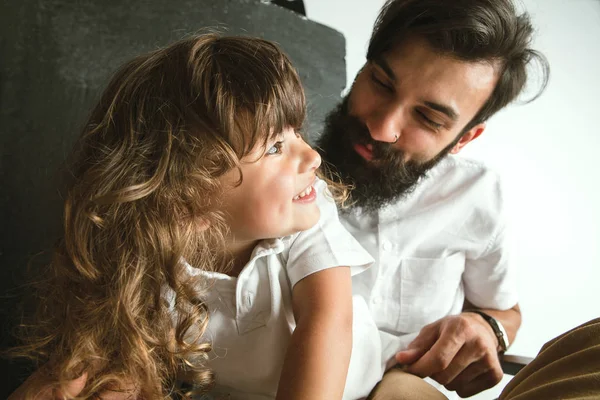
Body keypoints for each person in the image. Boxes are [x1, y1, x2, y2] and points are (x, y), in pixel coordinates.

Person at [7, 34, 383, 399]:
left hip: (353, 387)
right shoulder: (154, 260)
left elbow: (328, 323)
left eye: (296, 132)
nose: (311, 155)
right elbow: (122, 357)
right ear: (189, 199)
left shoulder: (310, 215)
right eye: (275, 147)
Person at [316, 0, 550, 398]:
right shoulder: (273, 164)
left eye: (428, 119)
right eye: (382, 84)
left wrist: (486, 329)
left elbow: (505, 312)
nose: (381, 127)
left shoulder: (478, 195)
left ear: (464, 139)